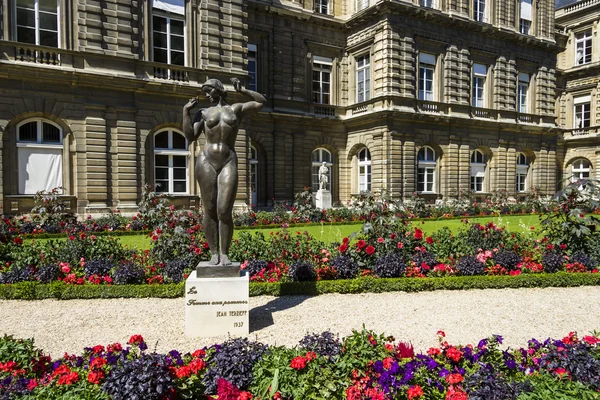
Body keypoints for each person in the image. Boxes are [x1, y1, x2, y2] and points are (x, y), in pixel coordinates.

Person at [183, 78, 266, 265]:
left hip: (228, 160)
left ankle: (225, 253)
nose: (206, 95)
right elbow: (190, 135)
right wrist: (186, 111)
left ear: (218, 90)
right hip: (206, 161)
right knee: (210, 209)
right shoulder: (203, 113)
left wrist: (243, 90)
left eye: (208, 91)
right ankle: (214, 253)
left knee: (224, 209)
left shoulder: (235, 109)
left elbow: (261, 102)